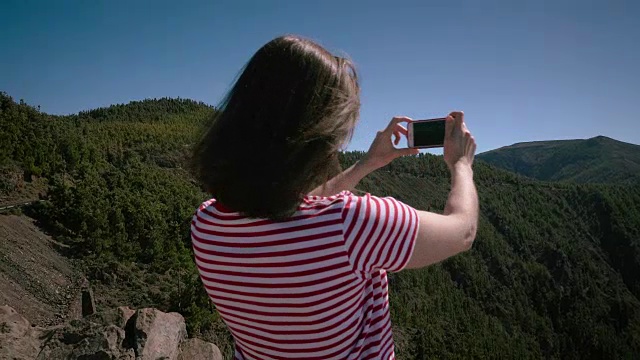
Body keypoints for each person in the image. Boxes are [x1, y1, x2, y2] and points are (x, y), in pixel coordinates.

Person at [190, 35, 478, 360]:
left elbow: (291, 207)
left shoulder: (206, 223)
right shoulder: (352, 223)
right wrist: (461, 165)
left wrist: (367, 163)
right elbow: (462, 231)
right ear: (321, 132)